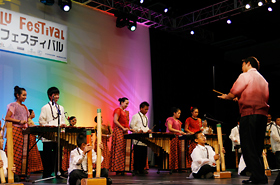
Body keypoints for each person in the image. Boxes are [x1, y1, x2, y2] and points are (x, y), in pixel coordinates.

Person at [218, 56, 269, 184]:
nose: (242, 68)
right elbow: (258, 96)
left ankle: (259, 177)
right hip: (262, 116)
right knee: (257, 147)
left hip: (249, 114)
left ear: (247, 64)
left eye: (242, 65)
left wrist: (227, 97)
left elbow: (233, 92)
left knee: (247, 147)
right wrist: (241, 98)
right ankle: (258, 175)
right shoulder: (264, 80)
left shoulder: (245, 75)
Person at [39, 86, 66, 178]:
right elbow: (41, 122)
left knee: (58, 153)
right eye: (55, 95)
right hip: (48, 135)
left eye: (58, 94)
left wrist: (62, 125)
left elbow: (62, 120)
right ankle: (47, 172)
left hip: (58, 135)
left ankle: (58, 171)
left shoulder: (61, 108)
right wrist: (51, 126)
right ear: (50, 96)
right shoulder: (45, 108)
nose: (57, 96)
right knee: (47, 154)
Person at [5, 86, 29, 175]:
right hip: (15, 131)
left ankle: (18, 174)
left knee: (20, 154)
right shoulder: (13, 105)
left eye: (26, 95)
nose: (25, 97)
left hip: (22, 132)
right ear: (17, 95)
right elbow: (7, 118)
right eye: (23, 95)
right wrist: (19, 121)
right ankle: (9, 174)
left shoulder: (25, 107)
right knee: (12, 152)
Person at [109, 97, 134, 173]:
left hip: (124, 131)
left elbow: (125, 123)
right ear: (122, 102)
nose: (127, 105)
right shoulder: (118, 110)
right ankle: (117, 168)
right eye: (126, 103)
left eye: (128, 104)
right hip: (119, 131)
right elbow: (115, 121)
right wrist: (123, 128)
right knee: (119, 149)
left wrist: (130, 129)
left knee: (124, 150)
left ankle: (123, 168)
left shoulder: (125, 112)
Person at [130, 101, 151, 175]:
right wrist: (139, 130)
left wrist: (148, 130)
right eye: (145, 109)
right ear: (141, 108)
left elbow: (145, 126)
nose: (146, 111)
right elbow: (132, 126)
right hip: (138, 138)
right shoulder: (136, 116)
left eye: (147, 109)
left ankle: (142, 169)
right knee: (137, 154)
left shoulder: (146, 117)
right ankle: (136, 169)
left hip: (144, 138)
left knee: (143, 154)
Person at [27, 109, 44, 174]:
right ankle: (32, 168)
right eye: (33, 113)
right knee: (32, 153)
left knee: (34, 153)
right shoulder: (28, 120)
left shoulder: (30, 120)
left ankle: (35, 168)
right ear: (29, 114)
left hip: (32, 138)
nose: (34, 114)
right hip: (30, 139)